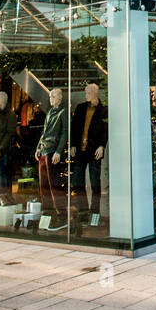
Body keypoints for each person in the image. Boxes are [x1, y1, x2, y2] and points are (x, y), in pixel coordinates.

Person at [69, 82, 107, 230]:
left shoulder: (103, 110)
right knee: (77, 180)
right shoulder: (80, 108)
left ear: (95, 93)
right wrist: (72, 144)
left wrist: (102, 146)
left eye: (88, 93)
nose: (86, 95)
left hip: (94, 150)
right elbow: (75, 126)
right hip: (80, 149)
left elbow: (105, 129)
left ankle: (95, 211)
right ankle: (83, 209)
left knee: (94, 182)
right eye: (85, 93)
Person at [34, 87, 69, 229]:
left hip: (53, 150)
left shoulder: (63, 112)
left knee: (54, 185)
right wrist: (38, 147)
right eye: (50, 97)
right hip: (44, 150)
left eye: (53, 96)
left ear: (60, 97)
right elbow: (44, 131)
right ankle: (47, 213)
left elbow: (65, 132)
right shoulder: (49, 112)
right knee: (44, 185)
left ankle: (62, 215)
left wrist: (59, 151)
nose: (51, 99)